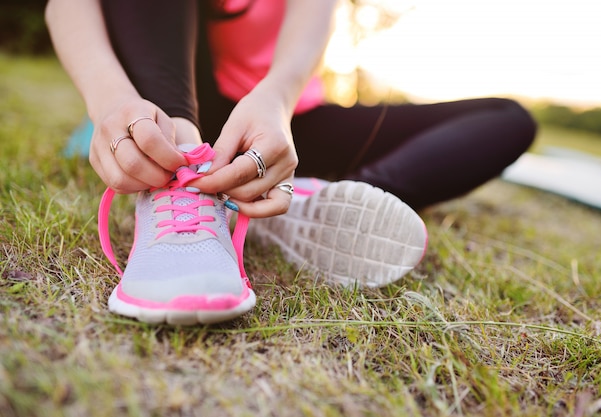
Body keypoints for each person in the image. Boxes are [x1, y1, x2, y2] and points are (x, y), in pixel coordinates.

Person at [45, 0, 536, 326]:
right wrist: (109, 102)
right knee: (179, 117)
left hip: (274, 124)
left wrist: (276, 103)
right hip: (176, 109)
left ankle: (318, 197)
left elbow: (309, 29)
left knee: (508, 118)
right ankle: (184, 175)